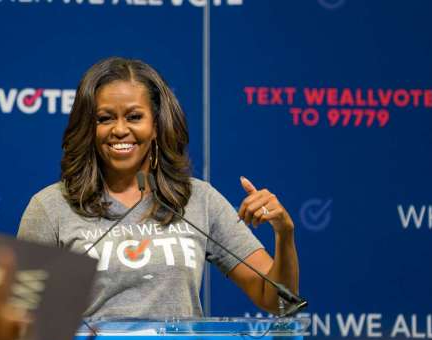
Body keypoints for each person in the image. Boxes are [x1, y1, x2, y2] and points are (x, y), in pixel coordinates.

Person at [17, 57, 299, 318]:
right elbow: (21, 319)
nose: (119, 129)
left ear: (155, 125)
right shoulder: (51, 207)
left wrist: (283, 234)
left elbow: (278, 302)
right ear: (90, 128)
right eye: (105, 118)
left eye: (134, 117)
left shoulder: (198, 199)